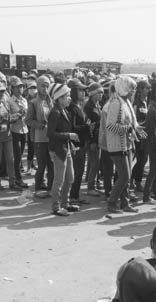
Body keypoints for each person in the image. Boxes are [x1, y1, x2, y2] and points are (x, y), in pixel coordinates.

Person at [105, 76, 147, 213]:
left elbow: (130, 122)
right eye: (132, 88)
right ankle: (112, 202)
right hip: (117, 145)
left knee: (126, 177)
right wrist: (128, 129)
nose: (134, 91)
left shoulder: (126, 102)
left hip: (127, 144)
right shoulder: (116, 103)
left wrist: (135, 128)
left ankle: (125, 203)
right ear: (125, 88)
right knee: (124, 176)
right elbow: (110, 125)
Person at [47, 83, 80, 216]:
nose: (69, 99)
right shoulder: (54, 113)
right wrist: (69, 135)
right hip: (58, 150)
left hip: (66, 149)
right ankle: (56, 207)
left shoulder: (63, 110)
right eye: (66, 96)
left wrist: (70, 142)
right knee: (59, 180)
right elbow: (50, 134)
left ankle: (65, 203)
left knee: (70, 178)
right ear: (59, 98)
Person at [26, 75, 54, 198]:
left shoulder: (51, 101)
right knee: (42, 165)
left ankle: (50, 188)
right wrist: (40, 125)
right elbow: (28, 120)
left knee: (51, 164)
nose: (45, 88)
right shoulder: (34, 102)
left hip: (51, 137)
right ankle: (38, 188)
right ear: (38, 87)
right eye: (43, 86)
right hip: (39, 138)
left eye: (47, 86)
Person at [0, 81, 16, 191]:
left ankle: (12, 182)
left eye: (3, 91)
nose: (1, 93)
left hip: (7, 135)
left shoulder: (5, 103)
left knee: (10, 160)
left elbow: (10, 116)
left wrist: (14, 118)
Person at [67, 78, 89, 206]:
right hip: (75, 145)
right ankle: (72, 197)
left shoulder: (79, 106)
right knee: (75, 172)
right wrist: (86, 127)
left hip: (82, 144)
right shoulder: (71, 108)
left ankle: (76, 195)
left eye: (83, 90)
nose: (83, 92)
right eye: (80, 90)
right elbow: (72, 128)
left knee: (80, 172)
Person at [9, 76, 29, 190]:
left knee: (20, 156)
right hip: (14, 130)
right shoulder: (10, 101)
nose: (19, 89)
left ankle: (17, 177)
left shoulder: (24, 100)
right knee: (16, 156)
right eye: (17, 87)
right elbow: (7, 117)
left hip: (24, 129)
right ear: (12, 88)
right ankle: (17, 178)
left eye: (21, 87)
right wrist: (17, 115)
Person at [84, 82, 104, 196]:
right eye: (98, 92)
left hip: (98, 137)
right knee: (95, 163)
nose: (101, 95)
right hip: (92, 139)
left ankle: (94, 182)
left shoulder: (98, 105)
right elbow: (88, 125)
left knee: (94, 163)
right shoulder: (88, 107)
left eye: (102, 92)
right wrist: (91, 141)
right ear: (92, 94)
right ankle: (90, 187)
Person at [131, 79, 150, 192]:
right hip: (137, 136)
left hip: (145, 136)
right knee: (133, 159)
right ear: (141, 89)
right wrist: (144, 123)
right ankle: (131, 180)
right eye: (147, 88)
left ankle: (138, 181)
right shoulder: (136, 103)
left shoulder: (146, 102)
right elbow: (134, 121)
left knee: (143, 160)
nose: (149, 90)